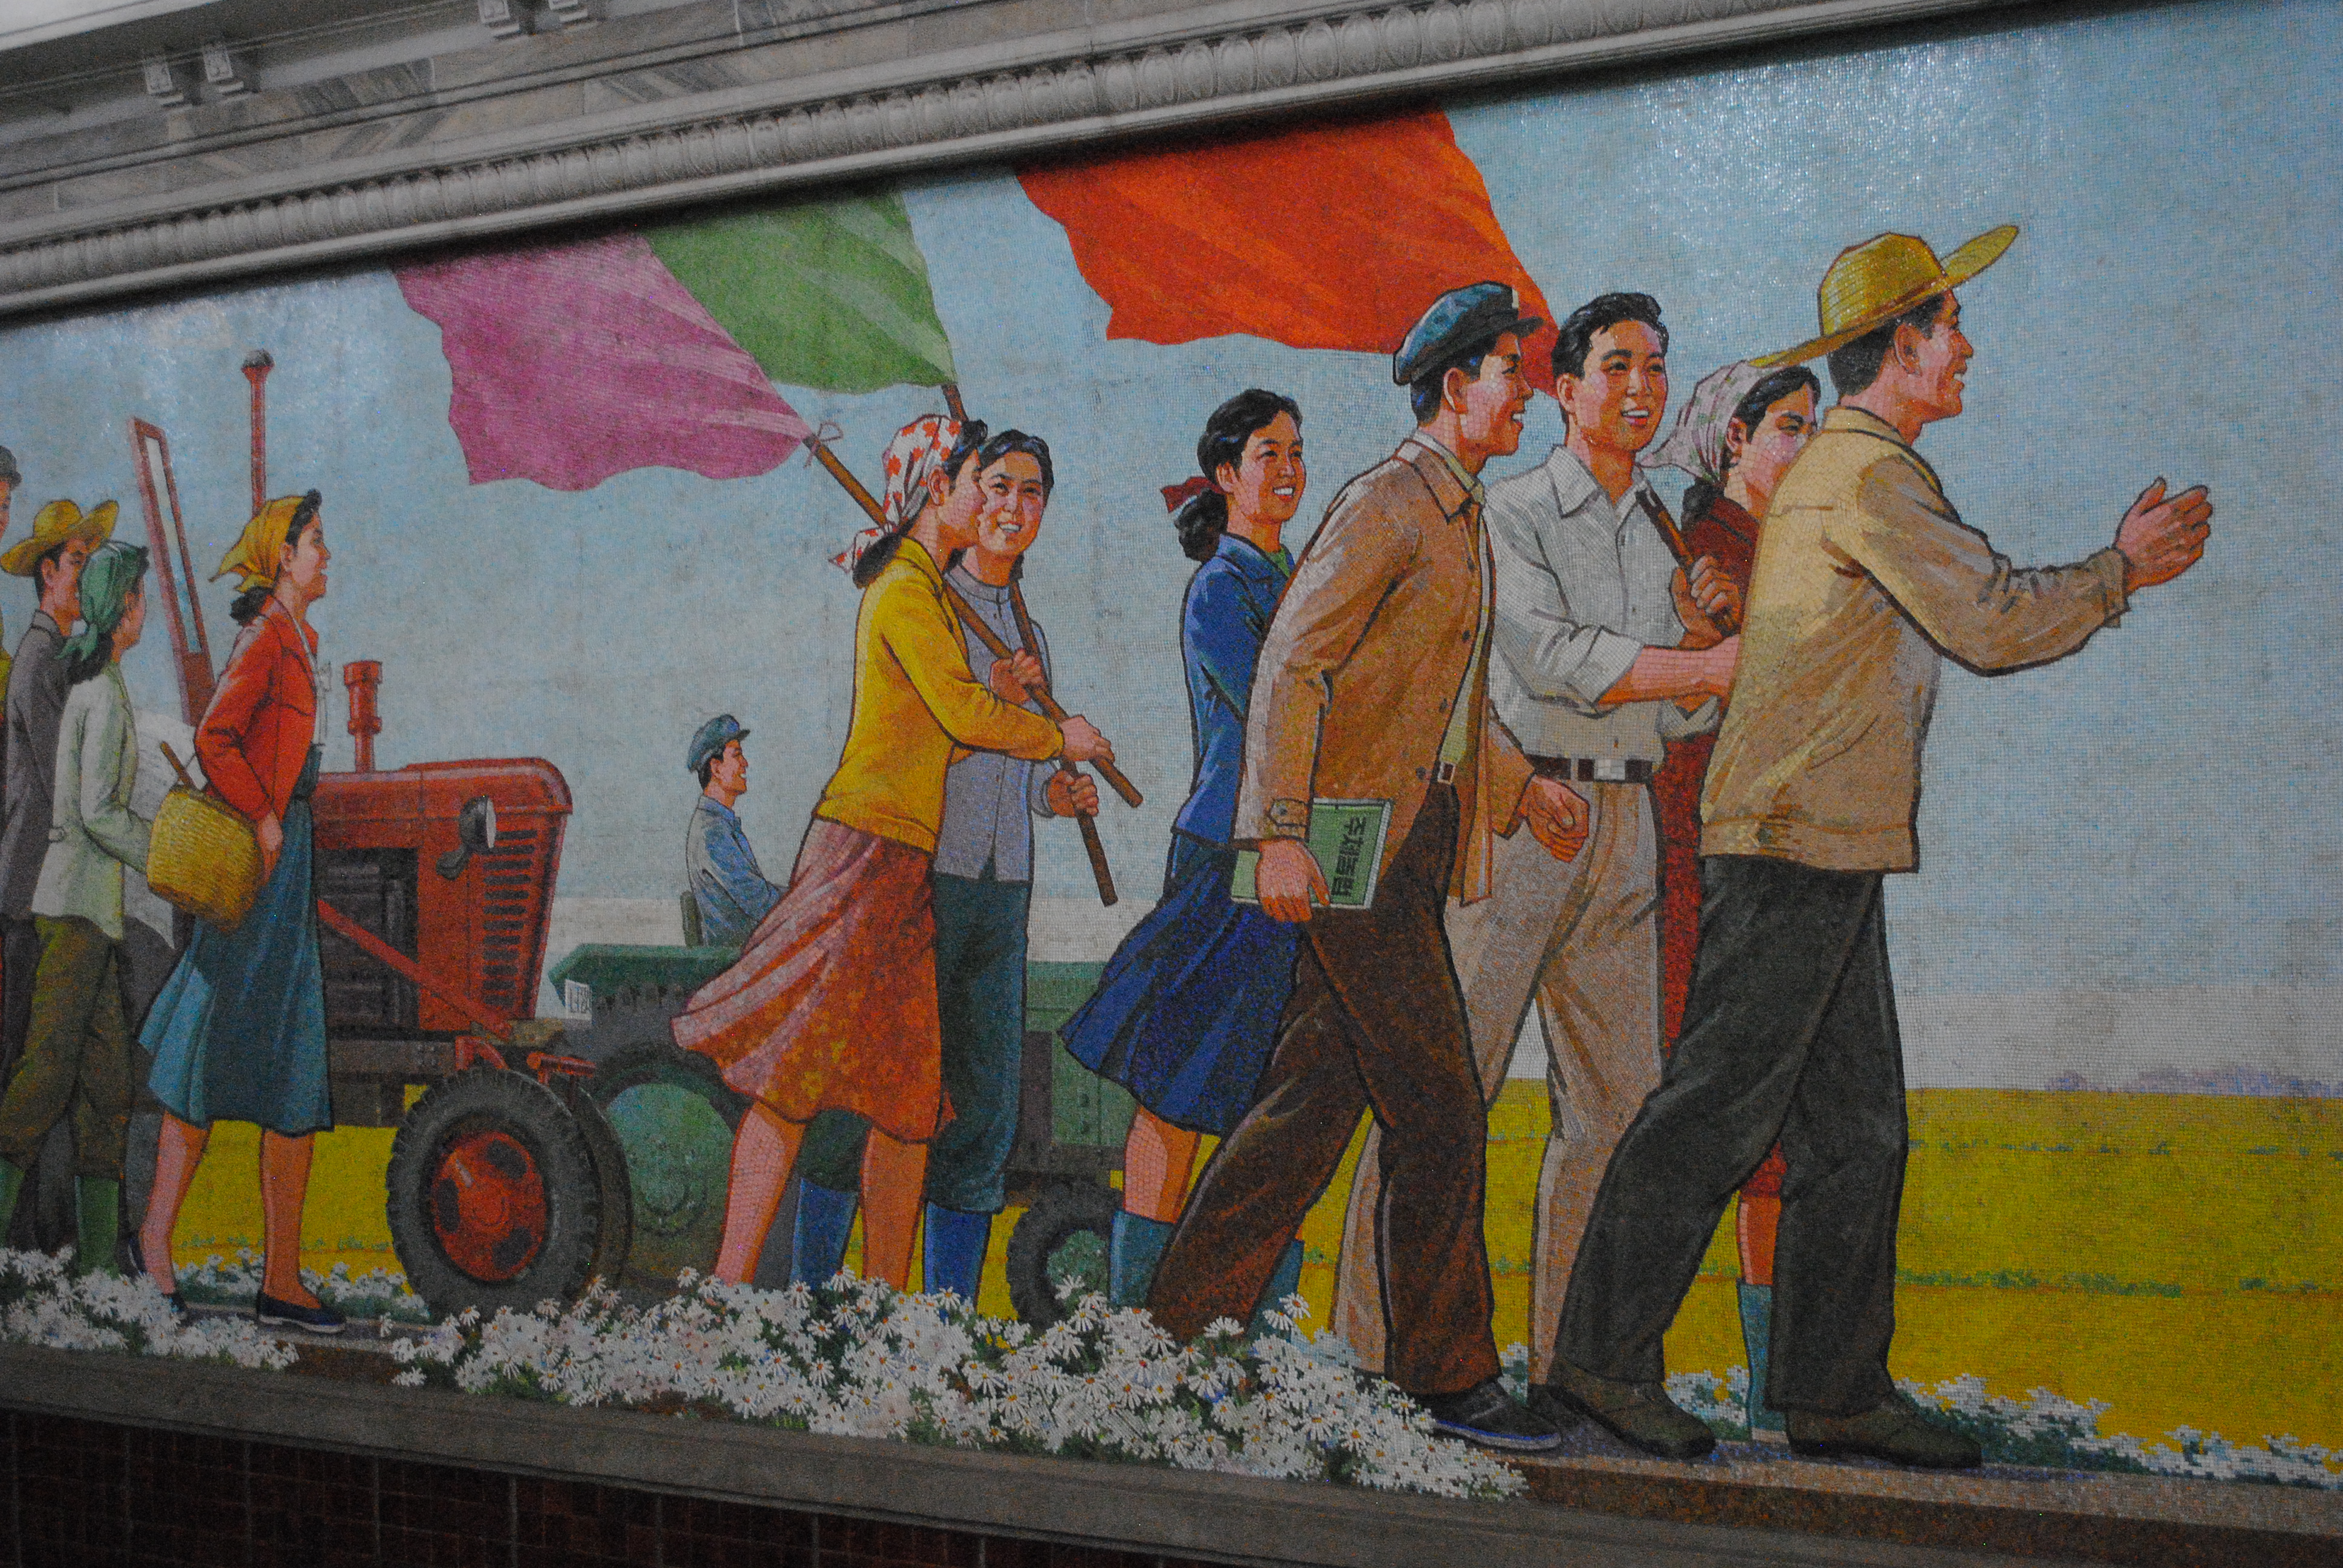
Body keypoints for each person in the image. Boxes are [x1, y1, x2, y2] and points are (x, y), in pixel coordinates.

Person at [1547, 227, 2214, 1467]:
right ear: (1899, 347)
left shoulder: (1852, 468)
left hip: (1823, 841)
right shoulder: (1863, 474)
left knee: (1856, 1132)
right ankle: (1598, 1362)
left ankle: (1831, 1390)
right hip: (1791, 841)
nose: (1965, 349)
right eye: (1948, 327)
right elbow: (1992, 619)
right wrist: (2119, 571)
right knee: (1714, 1111)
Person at [1144, 284, 1590, 1452]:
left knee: (1306, 1105)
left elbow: (1435, 703)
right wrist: (1278, 835)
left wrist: (1519, 784)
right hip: (1346, 844)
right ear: (1455, 386)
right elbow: (1293, 664)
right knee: (1439, 1102)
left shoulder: (1459, 513)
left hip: (1405, 843)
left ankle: (1170, 1339)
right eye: (1511, 371)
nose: (1525, 393)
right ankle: (1447, 1377)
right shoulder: (1387, 504)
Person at [1329, 292, 1741, 1384]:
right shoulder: (1506, 512)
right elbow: (1555, 659)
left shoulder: (1661, 526)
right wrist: (1697, 664)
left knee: (1615, 1111)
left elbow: (1676, 715)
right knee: (1442, 1095)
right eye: (1618, 366)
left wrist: (1703, 646)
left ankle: (1575, 1366)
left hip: (1628, 821)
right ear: (1564, 389)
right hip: (1521, 818)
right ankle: (1370, 1351)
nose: (1643, 389)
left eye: (1657, 366)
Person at [669, 416, 1113, 1291]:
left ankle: (885, 1307)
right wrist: (1056, 737)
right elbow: (958, 715)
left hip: (902, 859)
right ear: (938, 491)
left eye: (1022, 490)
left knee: (907, 1103)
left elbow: (940, 731)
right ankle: (729, 1290)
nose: (994, 502)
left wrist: (1023, 735)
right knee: (798, 1080)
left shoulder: (928, 594)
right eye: (981, 481)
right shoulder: (909, 592)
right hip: (863, 850)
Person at [1060, 391, 1308, 1311]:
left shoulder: (1297, 577)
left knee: (1272, 1097)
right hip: (1226, 852)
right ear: (1227, 475)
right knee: (1176, 1088)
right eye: (1268, 453)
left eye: (1296, 452)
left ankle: (1258, 1322)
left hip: (1293, 850)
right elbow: (1274, 716)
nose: (1288, 470)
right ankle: (1136, 1316)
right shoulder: (1219, 588)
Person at [1643, 356, 1820, 1439]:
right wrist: (1706, 640)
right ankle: (1639, 1367)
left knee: (1781, 1131)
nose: (1807, 445)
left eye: (1812, 425)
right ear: (1735, 441)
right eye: (1789, 426)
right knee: (1713, 1114)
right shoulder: (1697, 550)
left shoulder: (1798, 547)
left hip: (1786, 855)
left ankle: (1771, 1395)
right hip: (1704, 861)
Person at [138, 491, 342, 1330]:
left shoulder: (302, 641)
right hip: (256, 870)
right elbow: (215, 737)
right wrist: (261, 815)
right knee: (202, 1055)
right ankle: (155, 1245)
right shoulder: (264, 640)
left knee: (295, 1070)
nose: (326, 555)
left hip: (289, 867)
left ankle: (282, 1280)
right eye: (316, 542)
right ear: (283, 557)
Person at [0, 543, 153, 1270]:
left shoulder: (103, 684)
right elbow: (96, 811)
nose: (144, 610)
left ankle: (96, 1272)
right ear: (120, 609)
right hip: (72, 916)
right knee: (44, 1080)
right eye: (139, 598)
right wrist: (163, 851)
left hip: (95, 916)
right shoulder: (99, 694)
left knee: (108, 1092)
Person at [0, 498, 113, 1099]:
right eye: (77, 562)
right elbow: (61, 778)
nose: (86, 577)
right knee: (19, 1055)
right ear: (48, 572)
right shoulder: (39, 659)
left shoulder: (61, 658)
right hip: (30, 889)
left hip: (51, 885)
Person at [683, 714, 782, 949]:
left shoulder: (719, 824)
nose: (745, 763)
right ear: (716, 768)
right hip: (736, 958)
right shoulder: (712, 832)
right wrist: (810, 899)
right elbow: (760, 902)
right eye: (737, 755)